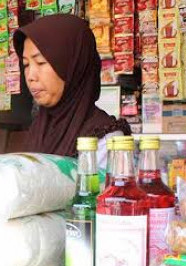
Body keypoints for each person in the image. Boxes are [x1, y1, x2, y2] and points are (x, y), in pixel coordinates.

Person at [12, 14, 131, 164]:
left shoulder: (106, 142)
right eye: (26, 65)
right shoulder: (39, 128)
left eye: (41, 62)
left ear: (73, 66)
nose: (30, 76)